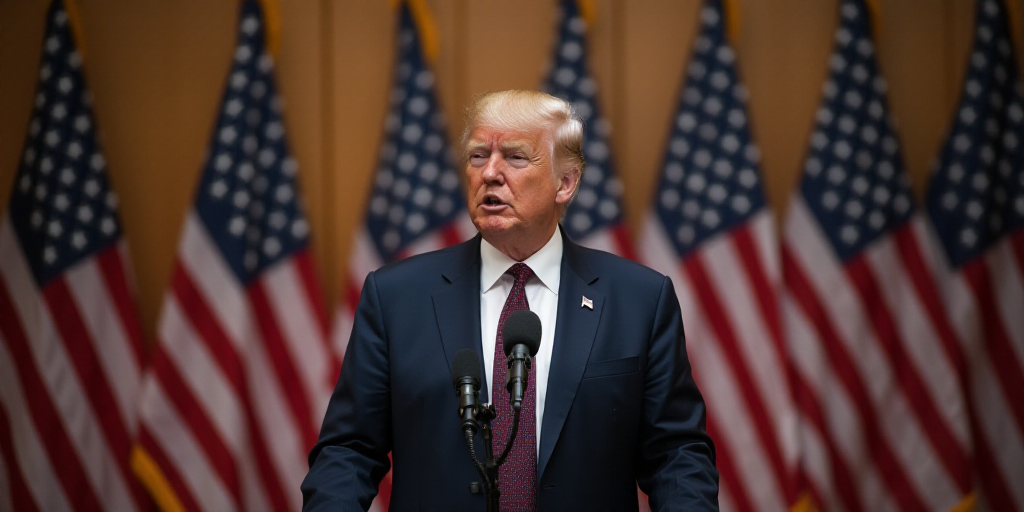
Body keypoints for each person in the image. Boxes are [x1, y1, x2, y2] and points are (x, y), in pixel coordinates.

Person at [302, 90, 718, 511]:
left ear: (565, 183)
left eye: (516, 157)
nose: (490, 173)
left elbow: (676, 456)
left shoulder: (639, 300)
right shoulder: (395, 297)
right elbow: (348, 451)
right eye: (478, 156)